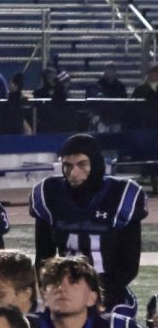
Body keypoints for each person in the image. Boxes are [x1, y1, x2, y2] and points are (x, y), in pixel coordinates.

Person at [30, 133, 147, 317]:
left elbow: (129, 263)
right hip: (66, 288)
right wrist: (51, 291)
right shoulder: (49, 194)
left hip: (111, 294)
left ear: (95, 163)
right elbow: (44, 257)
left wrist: (95, 294)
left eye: (82, 164)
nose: (73, 173)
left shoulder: (122, 194)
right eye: (67, 166)